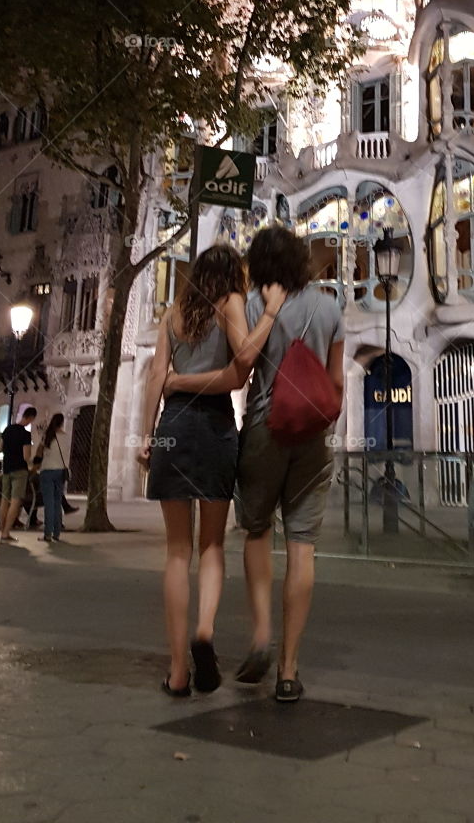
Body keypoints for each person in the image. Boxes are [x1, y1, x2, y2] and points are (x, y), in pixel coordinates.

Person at [175, 226, 344, 704]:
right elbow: (337, 381)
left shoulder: (249, 305)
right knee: (303, 545)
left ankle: (261, 635)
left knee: (255, 530)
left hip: (265, 430)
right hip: (313, 436)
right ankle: (289, 671)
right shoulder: (330, 307)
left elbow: (239, 368)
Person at [140, 245, 286, 699]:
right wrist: (270, 314)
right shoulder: (232, 302)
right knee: (212, 545)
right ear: (232, 277)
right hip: (216, 428)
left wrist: (147, 435)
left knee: (176, 552)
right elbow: (239, 371)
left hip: (173, 427)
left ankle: (179, 671)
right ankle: (204, 631)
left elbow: (155, 379)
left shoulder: (171, 315)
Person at [0, 405, 36, 543]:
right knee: (16, 501)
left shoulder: (8, 429)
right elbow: (26, 456)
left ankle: (3, 531)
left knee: (4, 500)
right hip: (19, 470)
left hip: (7, 468)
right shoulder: (25, 434)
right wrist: (31, 462)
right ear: (31, 418)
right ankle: (6, 533)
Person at [36, 412, 68, 543]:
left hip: (47, 470)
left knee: (48, 503)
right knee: (57, 502)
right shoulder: (66, 437)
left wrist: (37, 464)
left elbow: (39, 451)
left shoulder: (47, 436)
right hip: (60, 472)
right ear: (62, 423)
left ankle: (47, 534)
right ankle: (57, 533)